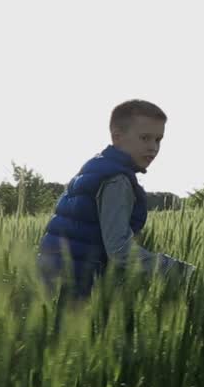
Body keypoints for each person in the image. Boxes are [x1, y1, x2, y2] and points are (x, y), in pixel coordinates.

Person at [36, 99, 195, 299]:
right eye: (145, 138)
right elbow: (120, 250)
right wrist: (178, 270)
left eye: (158, 140)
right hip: (78, 281)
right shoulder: (116, 180)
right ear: (117, 138)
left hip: (54, 274)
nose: (153, 147)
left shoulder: (96, 166)